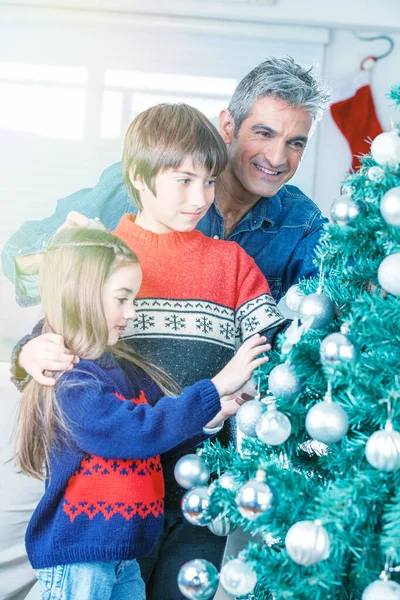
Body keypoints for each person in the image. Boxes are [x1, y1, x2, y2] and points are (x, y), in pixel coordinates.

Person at [11, 102, 287, 600]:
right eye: (183, 181)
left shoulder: (232, 262)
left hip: (204, 482)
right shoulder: (105, 252)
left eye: (209, 181)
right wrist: (28, 352)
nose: (200, 197)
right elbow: (59, 331)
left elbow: (277, 347)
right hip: (113, 494)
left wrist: (255, 388)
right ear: (139, 177)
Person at [15, 226, 270, 600]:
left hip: (125, 556)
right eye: (122, 299)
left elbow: (162, 433)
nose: (132, 312)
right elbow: (137, 433)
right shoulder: (72, 382)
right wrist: (215, 387)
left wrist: (214, 415)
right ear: (82, 297)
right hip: (80, 558)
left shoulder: (128, 372)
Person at [2, 55, 331, 308]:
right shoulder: (143, 184)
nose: (277, 158)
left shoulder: (301, 222)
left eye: (295, 143)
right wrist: (65, 253)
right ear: (228, 127)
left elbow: (334, 300)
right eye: (264, 133)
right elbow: (16, 257)